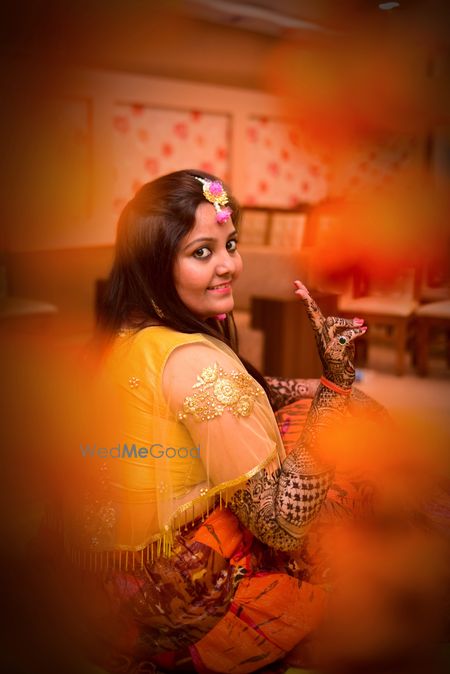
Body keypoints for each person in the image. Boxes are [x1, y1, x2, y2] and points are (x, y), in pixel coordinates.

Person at [58, 169, 372, 674]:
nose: (229, 265)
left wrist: (315, 389)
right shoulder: (199, 366)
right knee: (353, 457)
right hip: (184, 599)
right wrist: (335, 386)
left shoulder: (127, 330)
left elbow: (252, 392)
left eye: (230, 244)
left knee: (315, 410)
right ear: (155, 264)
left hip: (109, 577)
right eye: (201, 252)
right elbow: (280, 525)